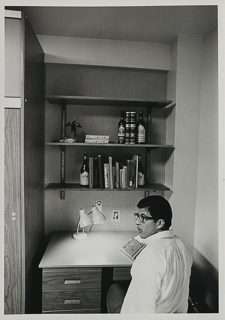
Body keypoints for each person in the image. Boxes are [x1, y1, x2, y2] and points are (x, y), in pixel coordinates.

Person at [107, 195, 193, 313]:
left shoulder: (150, 256)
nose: (137, 222)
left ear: (160, 223)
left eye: (143, 218)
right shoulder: (181, 246)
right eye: (137, 216)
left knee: (113, 288)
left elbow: (137, 309)